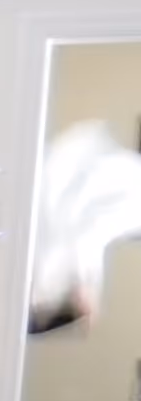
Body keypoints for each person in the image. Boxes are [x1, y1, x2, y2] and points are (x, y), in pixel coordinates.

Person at [31, 121, 141, 333]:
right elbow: (91, 230)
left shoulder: (125, 164)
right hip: (33, 233)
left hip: (35, 212)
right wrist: (87, 288)